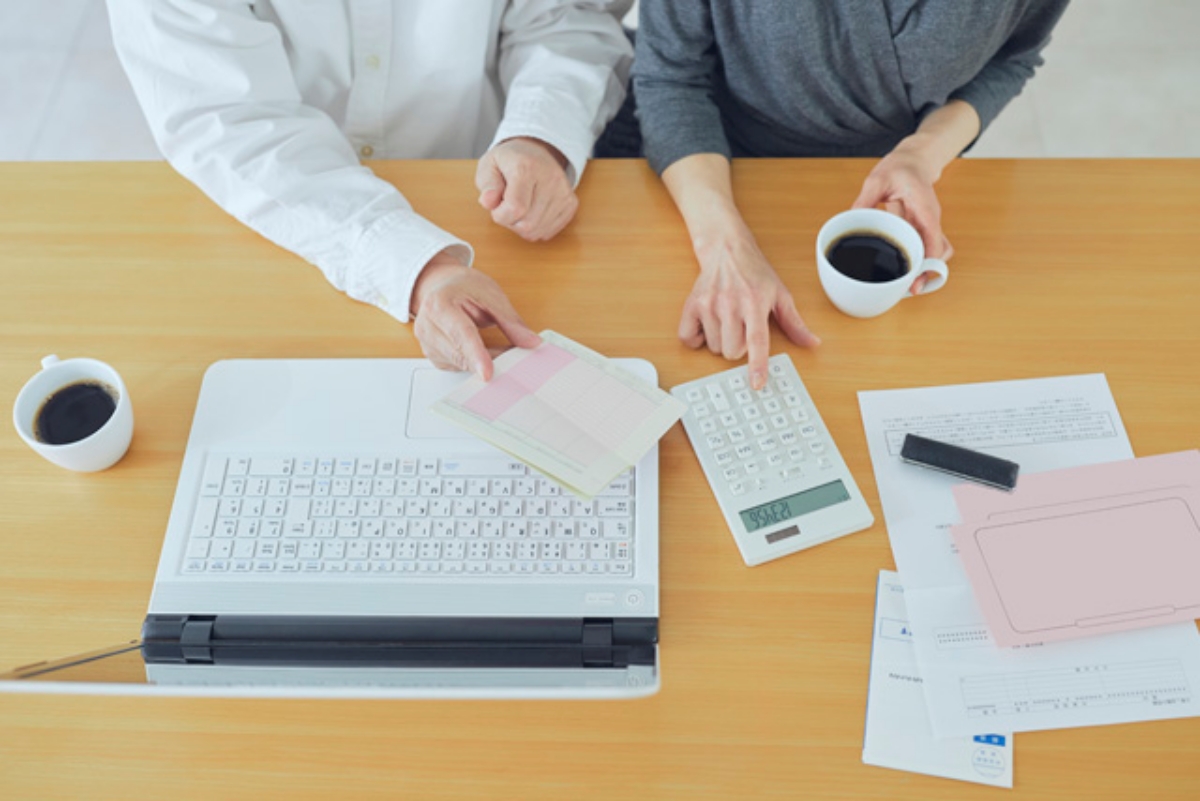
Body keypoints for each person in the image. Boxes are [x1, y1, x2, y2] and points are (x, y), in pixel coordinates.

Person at [108, 0, 634, 379]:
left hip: (478, 186)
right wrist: (417, 266)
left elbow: (567, 18)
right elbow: (229, 119)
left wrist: (539, 133)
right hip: (270, 214)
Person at [633, 0, 1069, 389]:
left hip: (897, 183)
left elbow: (1013, 59)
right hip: (716, 172)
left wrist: (921, 154)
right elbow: (670, 77)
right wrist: (723, 248)